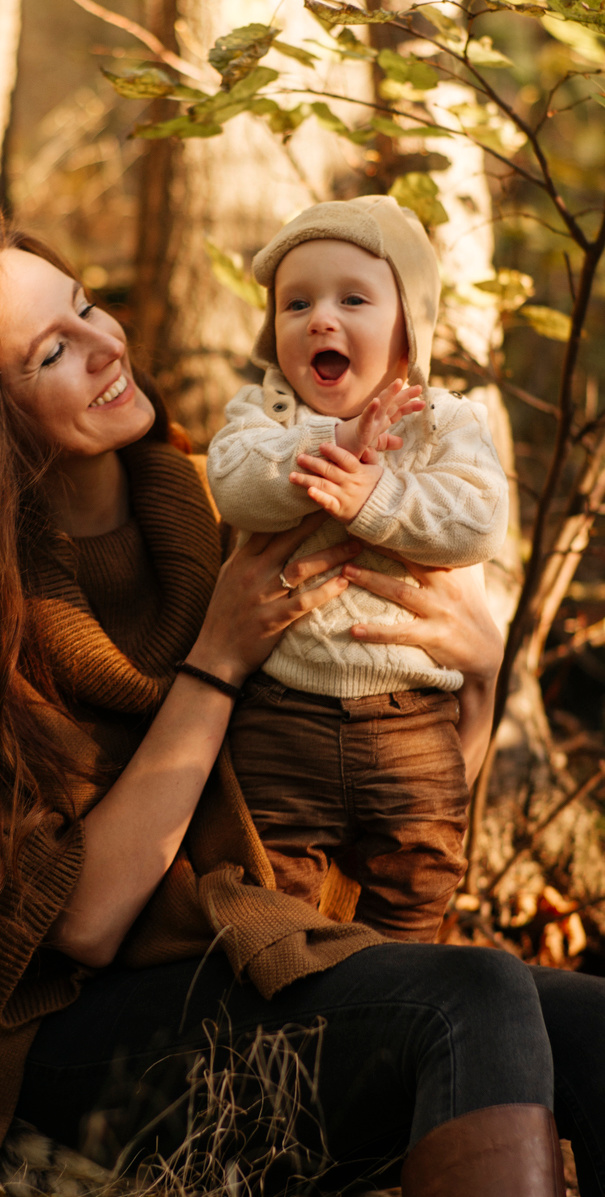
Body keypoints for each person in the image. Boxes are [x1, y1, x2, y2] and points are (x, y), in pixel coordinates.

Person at [0, 225, 605, 1197]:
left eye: (86, 306)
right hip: (79, 1039)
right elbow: (81, 927)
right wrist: (215, 660)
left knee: (587, 1028)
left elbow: (375, 789)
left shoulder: (213, 510)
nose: (105, 342)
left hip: (259, 951)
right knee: (469, 998)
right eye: (52, 352)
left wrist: (477, 680)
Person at [207, 196, 509, 940]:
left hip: (410, 721)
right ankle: (291, 1015)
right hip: (282, 713)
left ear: (410, 327)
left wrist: (378, 496)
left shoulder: (445, 423)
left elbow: (476, 520)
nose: (319, 318)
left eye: (352, 299)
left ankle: (398, 996)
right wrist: (337, 438)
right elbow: (236, 481)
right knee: (274, 886)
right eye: (296, 302)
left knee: (419, 876)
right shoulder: (263, 416)